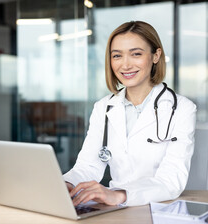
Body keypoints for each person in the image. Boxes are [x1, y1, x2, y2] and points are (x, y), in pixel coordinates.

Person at [63, 21, 197, 206]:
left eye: (136, 54)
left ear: (156, 56)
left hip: (159, 209)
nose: (125, 65)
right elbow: (88, 166)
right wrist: (65, 184)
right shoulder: (103, 107)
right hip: (114, 208)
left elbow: (171, 180)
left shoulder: (182, 109)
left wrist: (120, 195)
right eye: (117, 56)